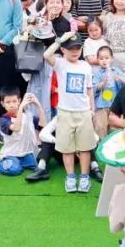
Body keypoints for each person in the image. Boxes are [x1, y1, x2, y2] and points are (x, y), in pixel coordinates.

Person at [44, 31, 97, 194]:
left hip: (84, 111)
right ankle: (71, 176)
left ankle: (85, 176)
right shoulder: (60, 64)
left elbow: (89, 89)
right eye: (71, 48)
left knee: (85, 147)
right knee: (66, 147)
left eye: (78, 48)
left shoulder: (86, 66)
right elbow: (46, 55)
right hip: (65, 111)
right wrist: (60, 40)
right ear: (63, 50)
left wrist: (92, 109)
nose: (75, 51)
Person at [0, 90, 45, 178]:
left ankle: (18, 163)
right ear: (2, 104)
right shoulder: (4, 119)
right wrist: (21, 106)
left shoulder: (27, 115)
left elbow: (43, 125)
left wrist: (38, 105)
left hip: (27, 152)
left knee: (40, 164)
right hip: (11, 153)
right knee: (15, 169)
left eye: (14, 101)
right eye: (8, 102)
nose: (11, 105)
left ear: (19, 101)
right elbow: (17, 128)